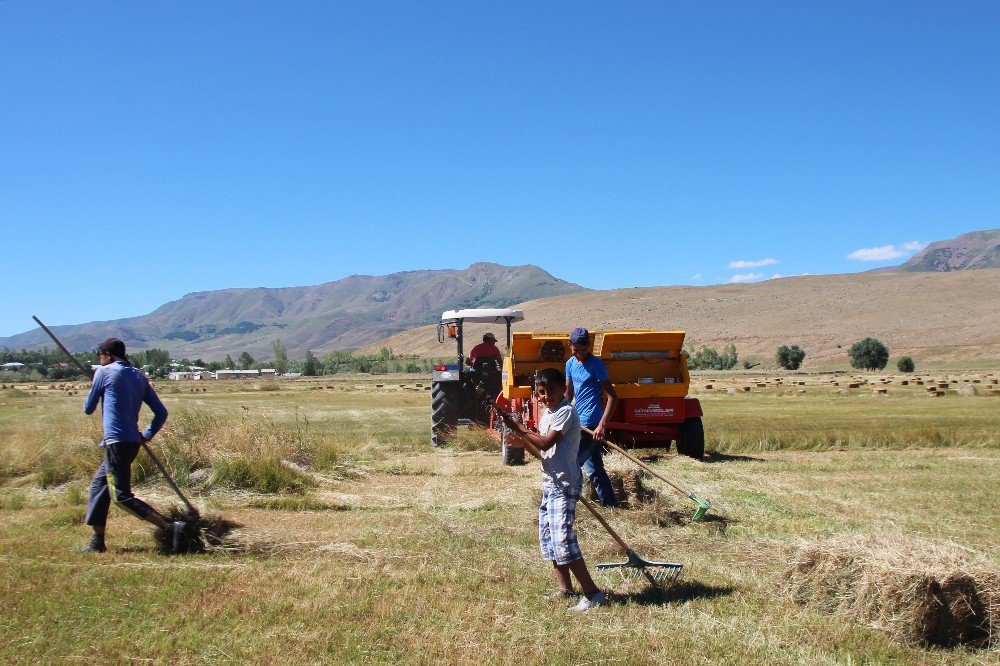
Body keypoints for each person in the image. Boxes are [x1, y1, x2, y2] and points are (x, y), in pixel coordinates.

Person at [497, 367, 606, 611]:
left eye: (552, 391)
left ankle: (592, 593)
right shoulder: (548, 413)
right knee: (550, 538)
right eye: (542, 392)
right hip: (550, 482)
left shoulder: (565, 412)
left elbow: (546, 441)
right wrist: (522, 442)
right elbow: (542, 452)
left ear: (563, 389)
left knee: (563, 539)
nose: (547, 397)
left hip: (565, 483)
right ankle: (565, 589)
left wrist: (519, 429)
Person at [79, 338, 185, 553]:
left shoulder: (104, 372)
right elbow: (161, 413)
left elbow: (88, 409)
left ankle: (170, 526)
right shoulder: (138, 376)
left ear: (108, 355)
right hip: (131, 442)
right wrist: (146, 435)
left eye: (100, 356)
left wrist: (96, 384)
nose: (99, 360)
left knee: (120, 495)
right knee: (99, 488)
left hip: (116, 442)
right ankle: (97, 542)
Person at [565, 327, 620, 508]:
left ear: (589, 346)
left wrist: (602, 425)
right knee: (594, 467)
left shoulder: (596, 365)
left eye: (583, 350)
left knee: (572, 465)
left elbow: (612, 396)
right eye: (575, 350)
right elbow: (568, 393)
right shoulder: (570, 364)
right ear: (570, 346)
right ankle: (611, 505)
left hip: (592, 423)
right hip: (577, 422)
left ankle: (567, 503)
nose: (580, 354)